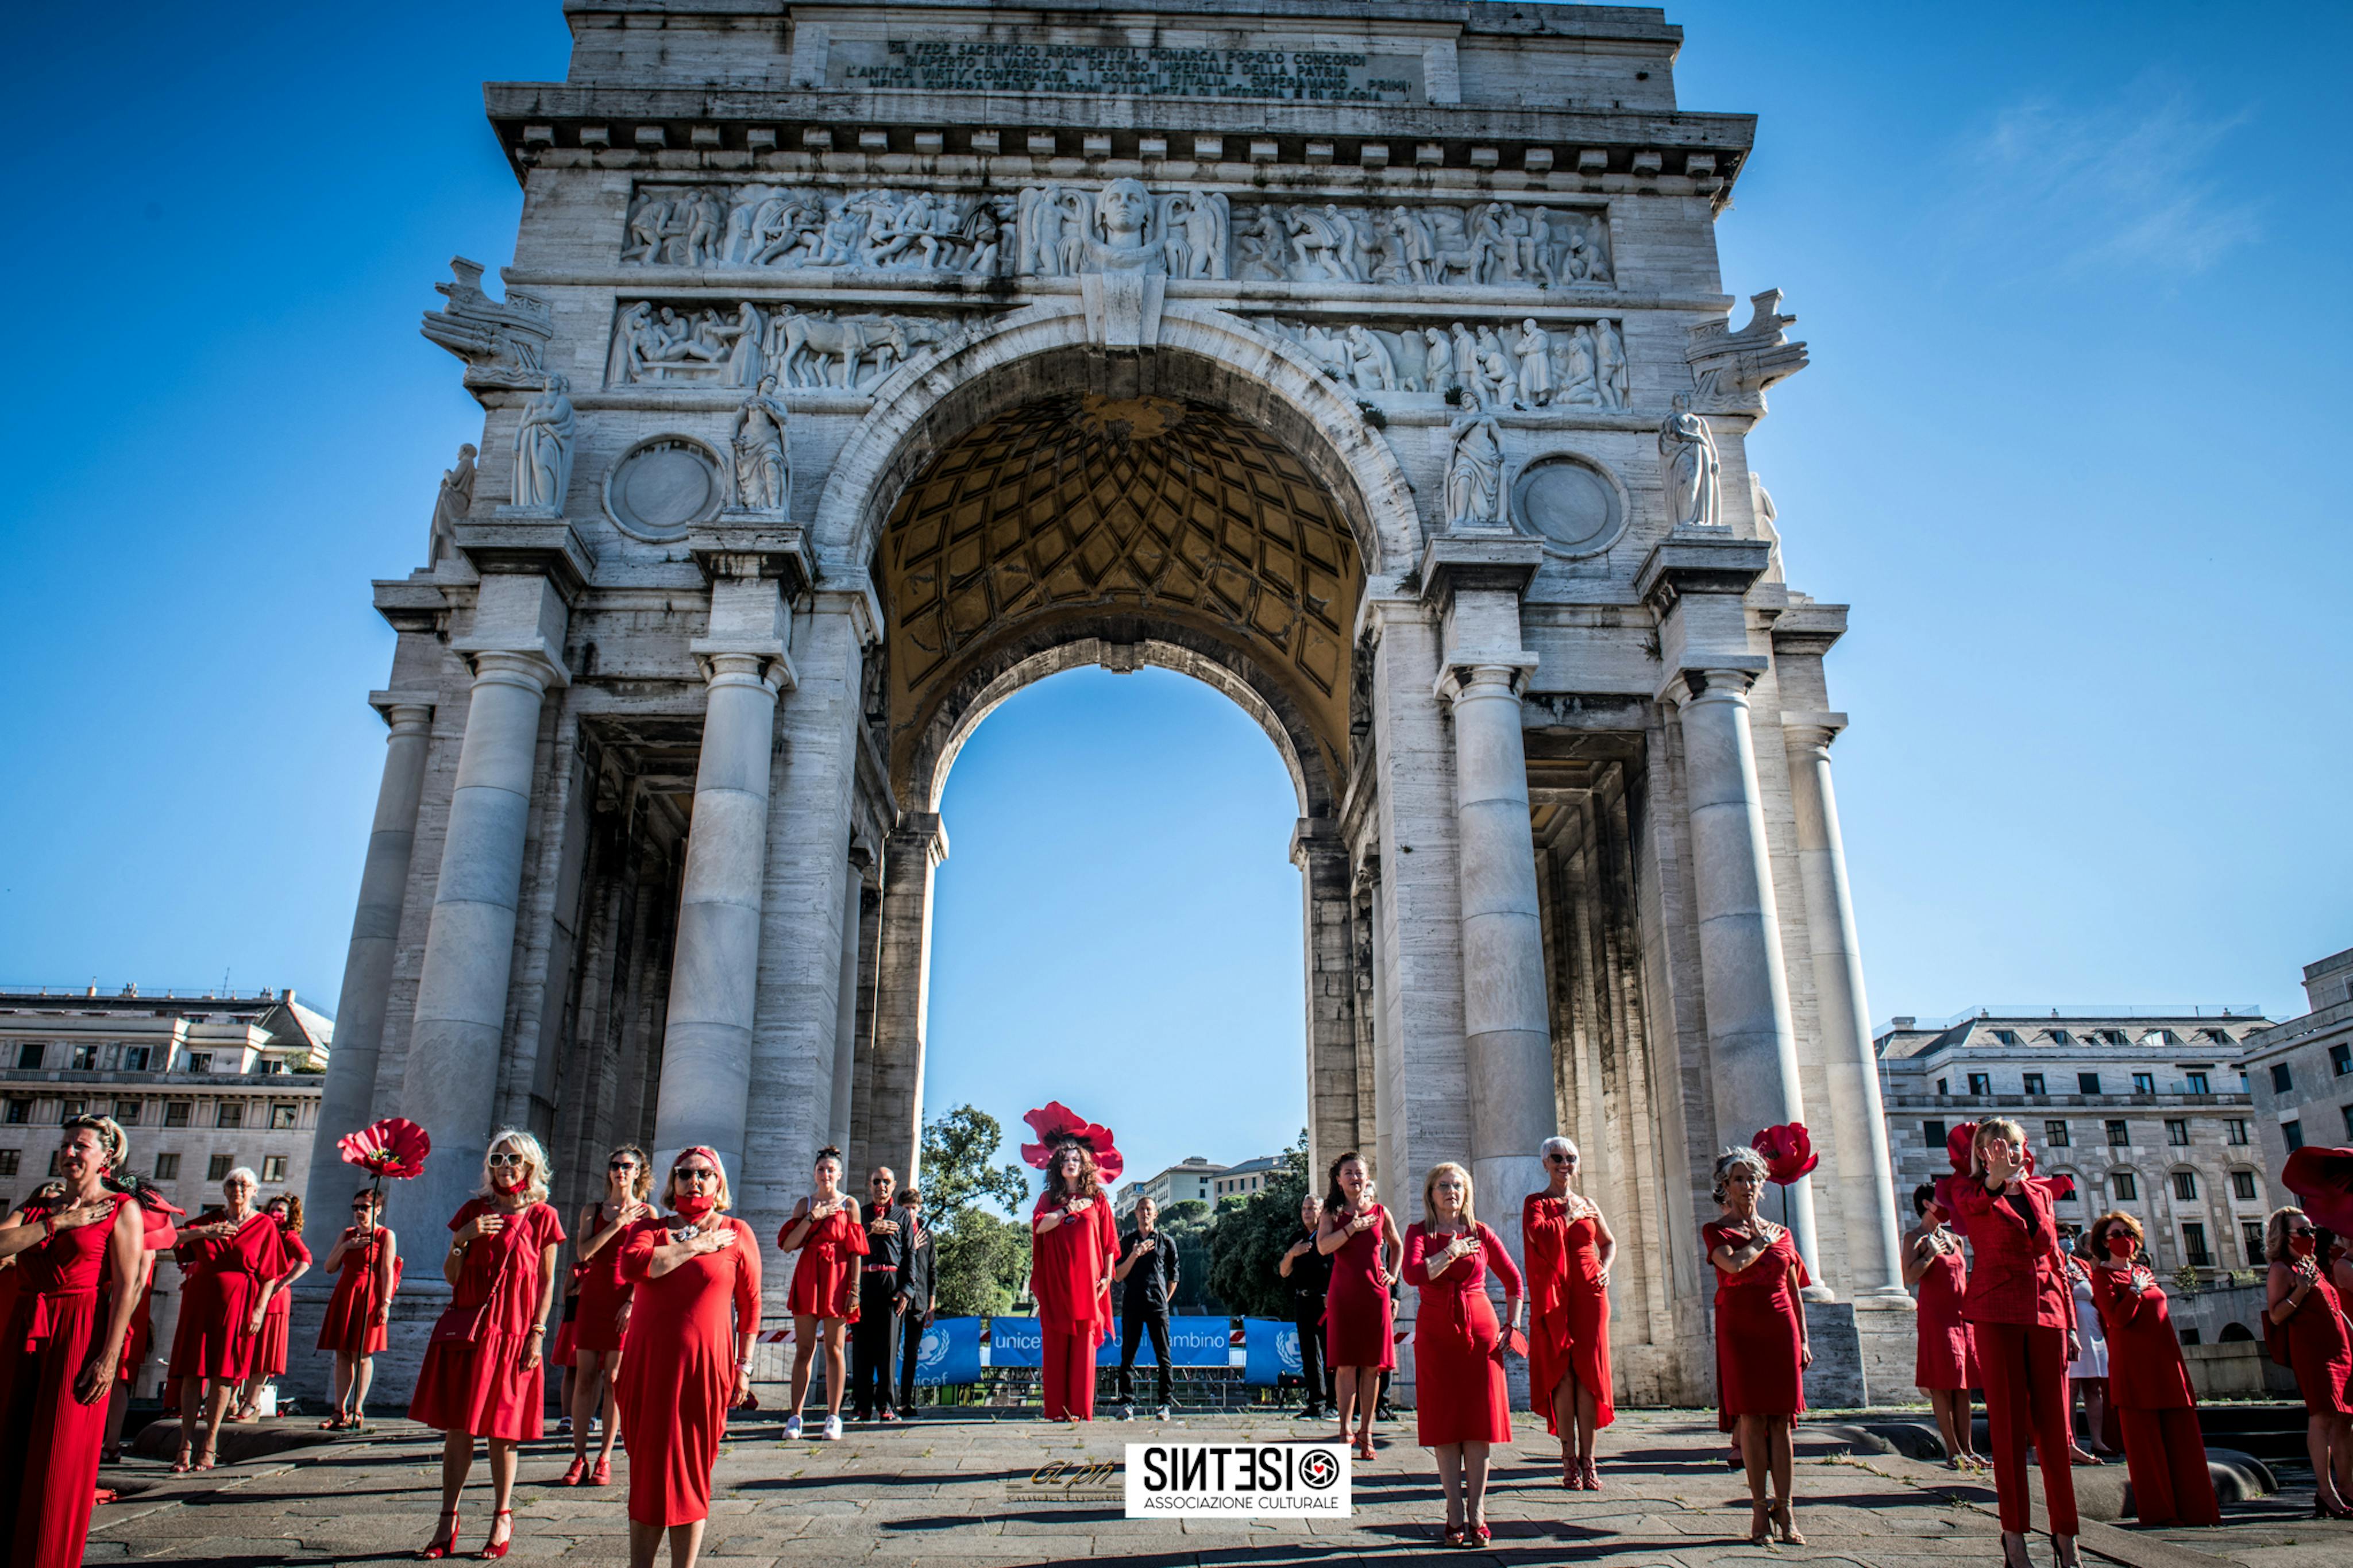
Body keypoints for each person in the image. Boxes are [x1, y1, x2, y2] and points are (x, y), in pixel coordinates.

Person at [408, 1129, 565, 1561]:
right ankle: (447, 1519)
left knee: (502, 1430)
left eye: (513, 1159)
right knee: (458, 1428)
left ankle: (502, 1514)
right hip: (470, 1330)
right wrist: (464, 1238)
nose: (505, 1167)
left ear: (530, 1166)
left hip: (513, 1331)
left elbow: (548, 1282)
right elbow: (451, 1276)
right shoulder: (473, 1212)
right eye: (497, 1159)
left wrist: (538, 1332)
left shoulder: (542, 1217)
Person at [0, 1116, 144, 1568]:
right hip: (24, 1330)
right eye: (65, 1145)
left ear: (107, 1156)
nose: (69, 1153)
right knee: (8, 1444)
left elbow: (128, 1287)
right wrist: (59, 1223)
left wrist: (109, 1355)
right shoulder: (39, 1205)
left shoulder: (122, 1207)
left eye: (81, 1146)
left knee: (58, 1456)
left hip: (79, 1332)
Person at [614, 1146, 759, 1568]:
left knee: (692, 1472)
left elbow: (749, 1308)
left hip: (705, 1369)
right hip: (647, 1367)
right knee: (646, 1472)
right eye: (684, 1173)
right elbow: (636, 1266)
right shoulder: (650, 1228)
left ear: (719, 1185)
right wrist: (696, 1245)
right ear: (671, 1183)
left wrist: (744, 1368)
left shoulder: (736, 1232)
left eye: (705, 1174)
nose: (694, 1180)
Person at [1948, 1118, 2082, 1568]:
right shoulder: (1968, 1193)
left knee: (2055, 1432)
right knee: (2006, 1430)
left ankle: (2067, 1537)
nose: (2008, 1150)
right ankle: (2015, 1538)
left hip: (2047, 1314)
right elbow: (1975, 1216)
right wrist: (1995, 1184)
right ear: (1983, 1153)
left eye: (2015, 1144)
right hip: (1996, 1312)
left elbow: (2054, 1256)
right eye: (1997, 1145)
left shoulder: (2041, 1194)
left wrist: (2073, 1325)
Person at [1406, 1161, 1523, 1547]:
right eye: (1443, 1185)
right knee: (1445, 1426)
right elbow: (1415, 1275)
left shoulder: (1482, 1232)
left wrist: (1514, 1324)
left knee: (1478, 1426)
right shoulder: (1419, 1232)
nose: (1451, 1191)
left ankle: (1478, 1515)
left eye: (1457, 1185)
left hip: (1481, 1335)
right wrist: (1452, 1252)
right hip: (1438, 1335)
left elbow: (1514, 1281)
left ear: (1466, 1192)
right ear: (1430, 1193)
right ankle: (1454, 1513)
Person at [1704, 1146, 1813, 1546]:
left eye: (1753, 1178)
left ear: (1762, 1184)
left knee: (1781, 1422)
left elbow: (1794, 1287)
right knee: (1750, 1419)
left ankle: (1786, 1509)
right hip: (1740, 1329)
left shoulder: (1782, 1232)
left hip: (1780, 1327)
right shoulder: (1717, 1231)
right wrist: (1760, 1244)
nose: (1747, 1185)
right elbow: (1731, 1267)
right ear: (1725, 1187)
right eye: (1738, 1178)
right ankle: (1757, 1510)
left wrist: (1803, 1337)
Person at [2084, 1210, 2219, 1525]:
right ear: (2103, 1243)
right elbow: (2116, 1320)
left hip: (2165, 1361)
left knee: (2182, 1439)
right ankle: (2160, 1512)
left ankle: (2196, 1509)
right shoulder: (2102, 1276)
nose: (2124, 1240)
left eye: (2128, 1233)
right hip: (2134, 1367)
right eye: (2116, 1235)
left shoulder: (2144, 1271)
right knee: (2147, 1448)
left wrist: (2139, 1284)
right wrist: (2133, 1290)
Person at [165, 1165, 282, 1471]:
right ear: (224, 1189)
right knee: (192, 1372)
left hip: (239, 1304)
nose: (238, 1190)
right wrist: (206, 1232)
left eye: (245, 1185)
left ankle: (210, 1443)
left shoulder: (264, 1225)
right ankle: (184, 1445)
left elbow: (270, 1274)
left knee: (223, 1373)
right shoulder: (208, 1221)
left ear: (256, 1191)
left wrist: (259, 1309)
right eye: (232, 1184)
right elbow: (169, 1240)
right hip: (200, 1303)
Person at [1523, 1135, 1616, 1490]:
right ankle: (1567, 1458)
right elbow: (1538, 1235)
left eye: (1571, 1158)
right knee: (1563, 1372)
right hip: (1555, 1295)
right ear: (1545, 1163)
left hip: (1590, 1291)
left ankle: (1589, 1461)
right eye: (1558, 1158)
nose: (1565, 1164)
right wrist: (1566, 1214)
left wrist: (1605, 1266)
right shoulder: (1536, 1202)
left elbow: (1608, 1242)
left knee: (1590, 1374)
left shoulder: (1589, 1203)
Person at [565, 1145, 653, 1486]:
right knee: (585, 1376)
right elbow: (584, 1252)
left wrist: (633, 1301)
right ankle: (578, 1456)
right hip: (594, 1295)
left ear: (637, 1173)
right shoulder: (593, 1210)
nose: (620, 1171)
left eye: (627, 1166)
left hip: (624, 1297)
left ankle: (605, 1457)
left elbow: (649, 1261)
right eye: (615, 1165)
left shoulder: (648, 1212)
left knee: (614, 1378)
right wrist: (617, 1223)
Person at [2265, 1205, 2353, 1517]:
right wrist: (2300, 1291)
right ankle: (2325, 1491)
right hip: (2314, 1353)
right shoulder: (2282, 1269)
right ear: (2284, 1236)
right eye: (2303, 1231)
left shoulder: (2310, 1264)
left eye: (2312, 1230)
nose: (2311, 1236)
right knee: (2322, 1417)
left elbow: (2335, 1308)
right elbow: (2276, 1315)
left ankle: (2348, 1488)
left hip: (2340, 1350)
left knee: (2344, 1419)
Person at [1317, 1151, 1403, 1461]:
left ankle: (1367, 1433)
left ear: (1368, 1177)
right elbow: (1324, 1247)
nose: (1355, 1177)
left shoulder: (1381, 1212)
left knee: (1372, 1367)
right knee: (1345, 1366)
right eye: (1349, 1173)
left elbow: (1397, 1245)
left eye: (1360, 1172)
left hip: (1375, 1294)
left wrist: (1392, 1276)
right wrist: (1352, 1229)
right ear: (1339, 1180)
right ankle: (1344, 1431)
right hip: (1343, 1294)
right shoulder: (1331, 1212)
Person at [778, 1145, 866, 1440]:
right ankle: (795, 1417)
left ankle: (833, 1416)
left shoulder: (849, 1205)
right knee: (804, 1348)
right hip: (808, 1275)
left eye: (831, 1170)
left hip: (837, 1278)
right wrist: (812, 1217)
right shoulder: (805, 1204)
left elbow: (856, 1251)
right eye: (821, 1170)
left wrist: (854, 1290)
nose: (826, 1174)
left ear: (839, 1174)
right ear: (814, 1173)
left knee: (835, 1348)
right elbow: (789, 1245)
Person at [1031, 1141, 1120, 1422]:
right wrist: (1067, 1210)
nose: (1071, 1163)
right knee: (1056, 1346)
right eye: (1066, 1160)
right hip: (1057, 1282)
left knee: (1083, 1349)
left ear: (1084, 1166)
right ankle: (1056, 1411)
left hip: (1087, 1285)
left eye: (1076, 1160)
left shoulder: (1098, 1198)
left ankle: (1079, 1411)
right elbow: (1040, 1225)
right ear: (1058, 1167)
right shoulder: (1049, 1199)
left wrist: (1107, 1276)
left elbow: (1109, 1243)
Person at [1902, 1183, 1982, 1469]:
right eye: (1942, 1200)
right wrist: (1930, 1254)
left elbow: (1965, 1276)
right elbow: (1910, 1276)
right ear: (1926, 1204)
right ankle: (1953, 1450)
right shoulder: (1914, 1237)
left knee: (1963, 1386)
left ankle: (1969, 1449)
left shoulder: (1956, 1239)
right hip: (1936, 1319)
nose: (1948, 1205)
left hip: (1961, 1317)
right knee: (1942, 1385)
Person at [316, 1187, 399, 1431]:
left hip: (369, 1296)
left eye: (365, 1207)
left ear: (378, 1210)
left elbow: (387, 1270)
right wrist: (347, 1247)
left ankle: (357, 1409)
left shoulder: (385, 1235)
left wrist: (386, 1303)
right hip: (345, 1294)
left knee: (362, 1354)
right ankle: (338, 1409)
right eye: (356, 1207)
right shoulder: (347, 1235)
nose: (360, 1212)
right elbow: (329, 1267)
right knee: (341, 1353)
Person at [233, 1195, 311, 1421]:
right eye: (273, 1209)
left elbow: (306, 1260)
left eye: (281, 1211)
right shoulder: (260, 1233)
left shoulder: (288, 1236)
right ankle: (236, 1399)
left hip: (274, 1299)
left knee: (263, 1354)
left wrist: (282, 1283)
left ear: (289, 1217)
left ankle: (251, 1402)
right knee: (244, 1349)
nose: (276, 1214)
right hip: (253, 1295)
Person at [849, 1167, 912, 1423]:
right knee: (861, 1349)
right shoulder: (861, 1214)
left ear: (894, 1185)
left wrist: (907, 1289)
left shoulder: (903, 1216)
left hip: (891, 1287)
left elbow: (910, 1254)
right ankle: (861, 1406)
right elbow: (849, 1244)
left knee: (888, 1350)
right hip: (864, 1284)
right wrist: (870, 1229)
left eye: (886, 1182)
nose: (881, 1186)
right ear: (870, 1184)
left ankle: (887, 1406)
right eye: (877, 1182)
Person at [1113, 1196, 1180, 1419]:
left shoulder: (1166, 1242)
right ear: (1136, 1214)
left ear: (1156, 1214)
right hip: (1132, 1304)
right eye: (1141, 1209)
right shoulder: (1126, 1242)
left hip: (1157, 1306)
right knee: (1128, 1356)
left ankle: (1165, 1404)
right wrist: (1135, 1254)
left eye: (1149, 1209)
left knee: (1164, 1356)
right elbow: (1118, 1276)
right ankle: (1127, 1403)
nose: (1145, 1213)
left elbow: (1174, 1276)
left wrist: (1164, 1300)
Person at [1277, 1194, 1336, 1420]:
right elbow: (1283, 1271)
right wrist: (1292, 1253)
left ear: (1322, 1212)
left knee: (1330, 1353)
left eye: (1312, 1208)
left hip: (1325, 1301)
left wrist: (1332, 1292)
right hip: (1302, 1300)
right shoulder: (1296, 1238)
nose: (1307, 1212)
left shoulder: (1329, 1236)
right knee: (1309, 1354)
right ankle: (1315, 1403)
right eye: (1304, 1208)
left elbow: (1337, 1266)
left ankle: (1333, 1403)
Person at [2059, 1232, 2115, 1462]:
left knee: (2094, 1387)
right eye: (2062, 1236)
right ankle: (2072, 1441)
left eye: (2071, 1236)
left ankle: (2098, 1440)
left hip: (2092, 1329)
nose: (2068, 1241)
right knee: (2070, 1389)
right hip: (2068, 1329)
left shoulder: (2082, 1265)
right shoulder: (2052, 1263)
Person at [894, 1187, 936, 1419]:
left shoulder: (928, 1236)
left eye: (913, 1208)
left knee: (912, 1354)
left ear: (919, 1209)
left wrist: (932, 1304)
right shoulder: (895, 1233)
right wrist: (911, 1246)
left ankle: (906, 1402)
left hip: (919, 1301)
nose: (910, 1212)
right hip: (898, 1297)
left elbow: (932, 1272)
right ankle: (887, 1400)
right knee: (890, 1352)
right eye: (906, 1208)